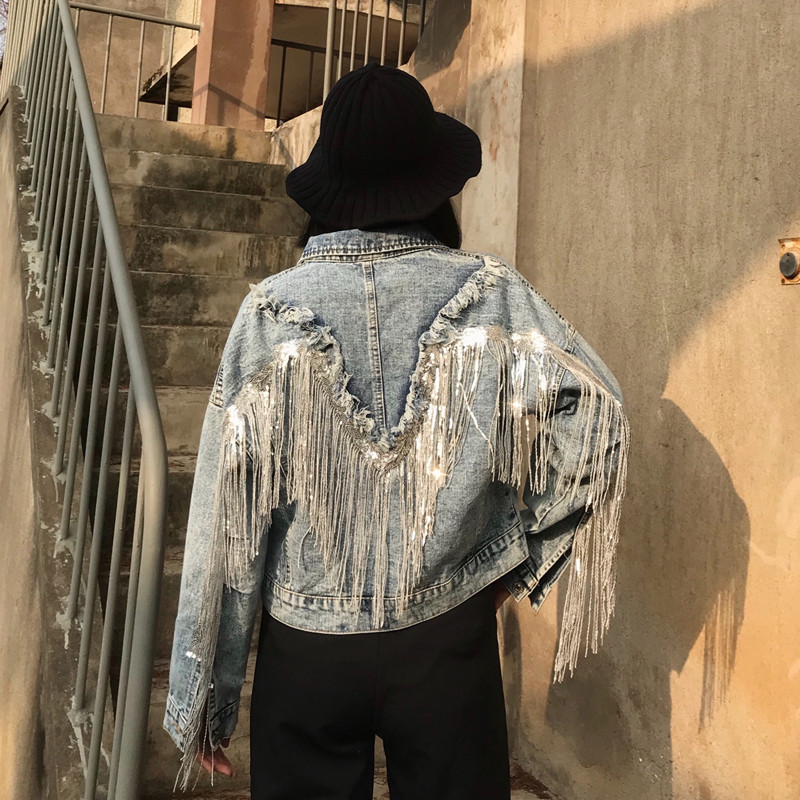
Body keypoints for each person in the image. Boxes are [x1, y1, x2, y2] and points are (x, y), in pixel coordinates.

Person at [163, 62, 630, 799]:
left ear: (330, 187)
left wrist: (204, 693)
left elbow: (226, 515)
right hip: (446, 636)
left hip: (308, 649)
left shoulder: (270, 312)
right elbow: (600, 418)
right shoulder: (491, 293)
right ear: (433, 184)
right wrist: (513, 561)